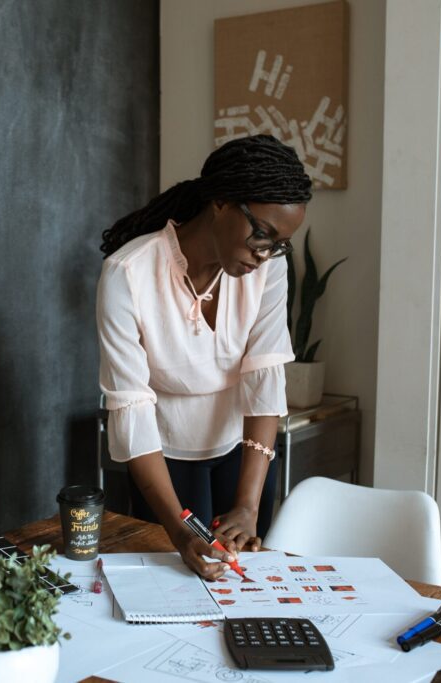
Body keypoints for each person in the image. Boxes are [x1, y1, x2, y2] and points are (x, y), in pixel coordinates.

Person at [96, 134, 312, 580]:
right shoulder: (128, 274)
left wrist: (249, 506)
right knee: (176, 585)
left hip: (246, 455)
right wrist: (179, 533)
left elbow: (264, 376)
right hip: (164, 460)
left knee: (242, 584)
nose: (266, 253)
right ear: (220, 203)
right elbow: (132, 408)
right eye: (262, 234)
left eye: (280, 244)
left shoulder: (268, 268)